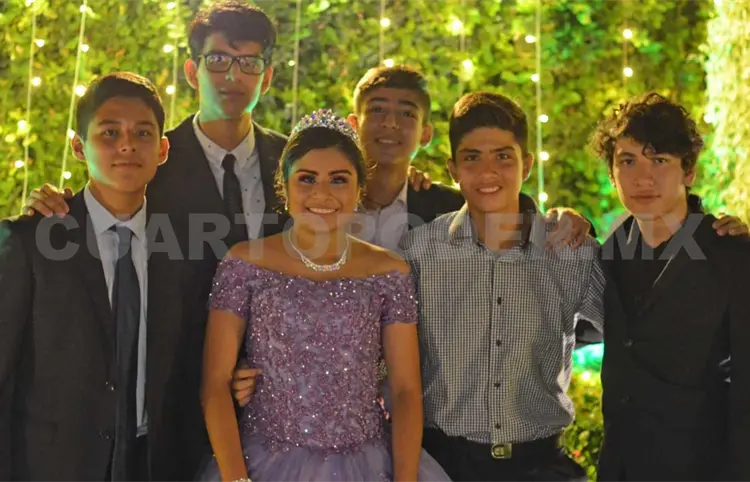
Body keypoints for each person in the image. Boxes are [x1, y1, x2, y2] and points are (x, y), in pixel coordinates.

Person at [198, 108, 452, 482]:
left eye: (338, 179)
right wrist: (236, 478)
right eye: (307, 178)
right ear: (284, 186)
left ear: (358, 189)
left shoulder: (390, 272)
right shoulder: (244, 263)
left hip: (369, 464)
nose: (322, 193)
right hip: (262, 463)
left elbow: (405, 390)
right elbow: (215, 384)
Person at [399, 91, 605, 482]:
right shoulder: (418, 251)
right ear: (453, 168)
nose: (488, 172)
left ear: (527, 164)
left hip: (542, 466)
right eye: (472, 158)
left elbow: (637, 335)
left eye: (503, 157)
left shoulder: (570, 251)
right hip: (443, 466)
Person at [0, 72, 182, 482]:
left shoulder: (184, 245)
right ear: (79, 147)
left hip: (153, 462)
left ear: (162, 149)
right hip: (52, 465)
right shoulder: (31, 241)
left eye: (142, 133)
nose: (127, 145)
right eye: (109, 132)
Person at [590, 93, 750, 482]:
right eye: (628, 161)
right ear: (612, 174)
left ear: (688, 171)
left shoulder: (731, 254)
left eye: (659, 160)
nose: (642, 178)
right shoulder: (607, 254)